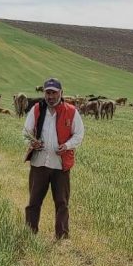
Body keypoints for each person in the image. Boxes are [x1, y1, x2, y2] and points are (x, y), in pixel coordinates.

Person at [23, 78, 84, 239]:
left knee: (62, 202)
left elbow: (79, 134)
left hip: (60, 165)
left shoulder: (71, 111)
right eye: (47, 93)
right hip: (39, 163)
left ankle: (62, 235)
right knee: (34, 201)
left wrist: (67, 145)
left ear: (61, 93)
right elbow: (26, 132)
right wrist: (32, 143)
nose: (50, 96)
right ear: (44, 93)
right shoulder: (36, 109)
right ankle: (30, 232)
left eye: (54, 93)